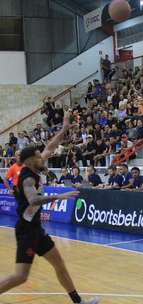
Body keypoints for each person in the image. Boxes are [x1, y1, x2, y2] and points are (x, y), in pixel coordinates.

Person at [0, 112, 99, 304]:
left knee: (59, 264)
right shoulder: (27, 177)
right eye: (38, 156)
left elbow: (51, 146)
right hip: (26, 231)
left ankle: (78, 301)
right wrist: (58, 196)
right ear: (30, 161)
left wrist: (64, 127)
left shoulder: (35, 165)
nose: (42, 157)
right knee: (21, 277)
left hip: (37, 229)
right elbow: (33, 200)